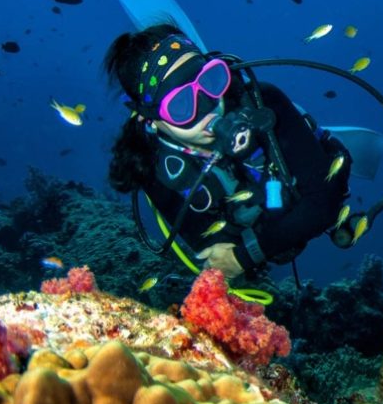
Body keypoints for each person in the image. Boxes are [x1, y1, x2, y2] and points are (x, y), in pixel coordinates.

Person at [104, 23, 353, 279]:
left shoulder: (263, 103)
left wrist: (244, 255)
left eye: (211, 82)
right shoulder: (151, 167)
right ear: (150, 119)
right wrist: (255, 248)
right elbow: (213, 252)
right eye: (181, 104)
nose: (209, 108)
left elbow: (324, 202)